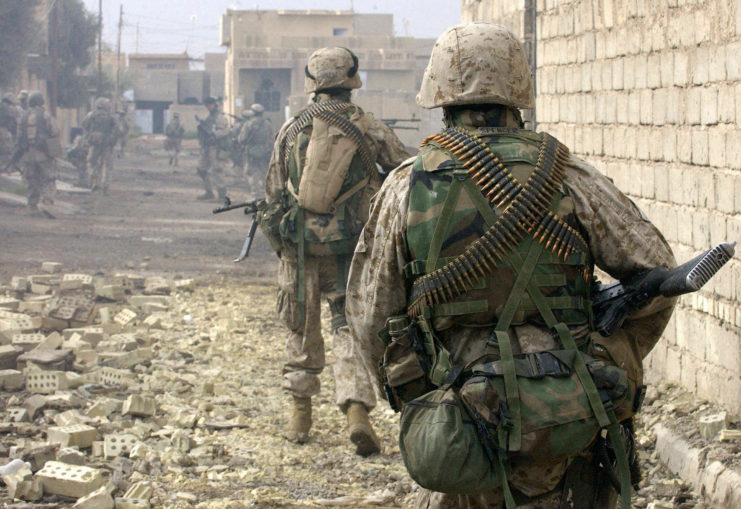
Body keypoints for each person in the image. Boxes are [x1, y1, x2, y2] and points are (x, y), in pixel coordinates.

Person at [345, 23, 676, 509]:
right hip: (570, 409)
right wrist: (609, 354)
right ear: (518, 95)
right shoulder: (568, 173)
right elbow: (659, 279)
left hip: (463, 416)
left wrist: (417, 398)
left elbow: (370, 315)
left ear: (440, 96)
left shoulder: (405, 187)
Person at [264, 46, 410, 454]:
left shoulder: (291, 128)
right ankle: (356, 414)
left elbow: (273, 193)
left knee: (301, 329)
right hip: (351, 250)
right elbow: (404, 172)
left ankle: (300, 415)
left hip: (300, 252)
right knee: (348, 329)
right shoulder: (368, 126)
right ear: (351, 81)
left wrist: (284, 248)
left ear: (312, 83)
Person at [15, 91, 60, 215]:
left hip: (27, 155)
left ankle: (32, 206)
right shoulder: (45, 116)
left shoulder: (23, 117)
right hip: (43, 154)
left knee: (31, 180)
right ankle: (47, 203)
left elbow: (18, 137)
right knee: (48, 179)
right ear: (41, 102)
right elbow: (55, 131)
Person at [195, 96, 230, 200]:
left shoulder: (220, 117)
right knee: (201, 169)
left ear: (215, 104)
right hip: (206, 147)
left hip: (216, 147)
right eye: (207, 104)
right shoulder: (209, 117)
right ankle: (209, 191)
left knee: (217, 170)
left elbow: (226, 131)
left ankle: (222, 194)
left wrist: (214, 135)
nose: (209, 106)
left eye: (210, 104)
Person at [82, 97, 119, 193]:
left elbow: (84, 125)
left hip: (94, 143)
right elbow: (117, 130)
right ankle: (105, 183)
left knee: (92, 163)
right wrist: (112, 140)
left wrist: (89, 137)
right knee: (107, 164)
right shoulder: (111, 117)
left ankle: (94, 182)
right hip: (107, 144)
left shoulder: (91, 115)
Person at [238, 103, 273, 194]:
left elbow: (242, 138)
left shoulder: (249, 124)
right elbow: (272, 138)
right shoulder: (268, 124)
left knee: (252, 172)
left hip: (252, 151)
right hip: (265, 151)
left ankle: (255, 192)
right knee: (265, 171)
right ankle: (268, 191)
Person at [0, 93, 19, 166]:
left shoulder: (2, 105)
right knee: (7, 150)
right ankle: (6, 166)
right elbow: (15, 119)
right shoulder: (8, 107)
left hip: (3, 129)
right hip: (4, 130)